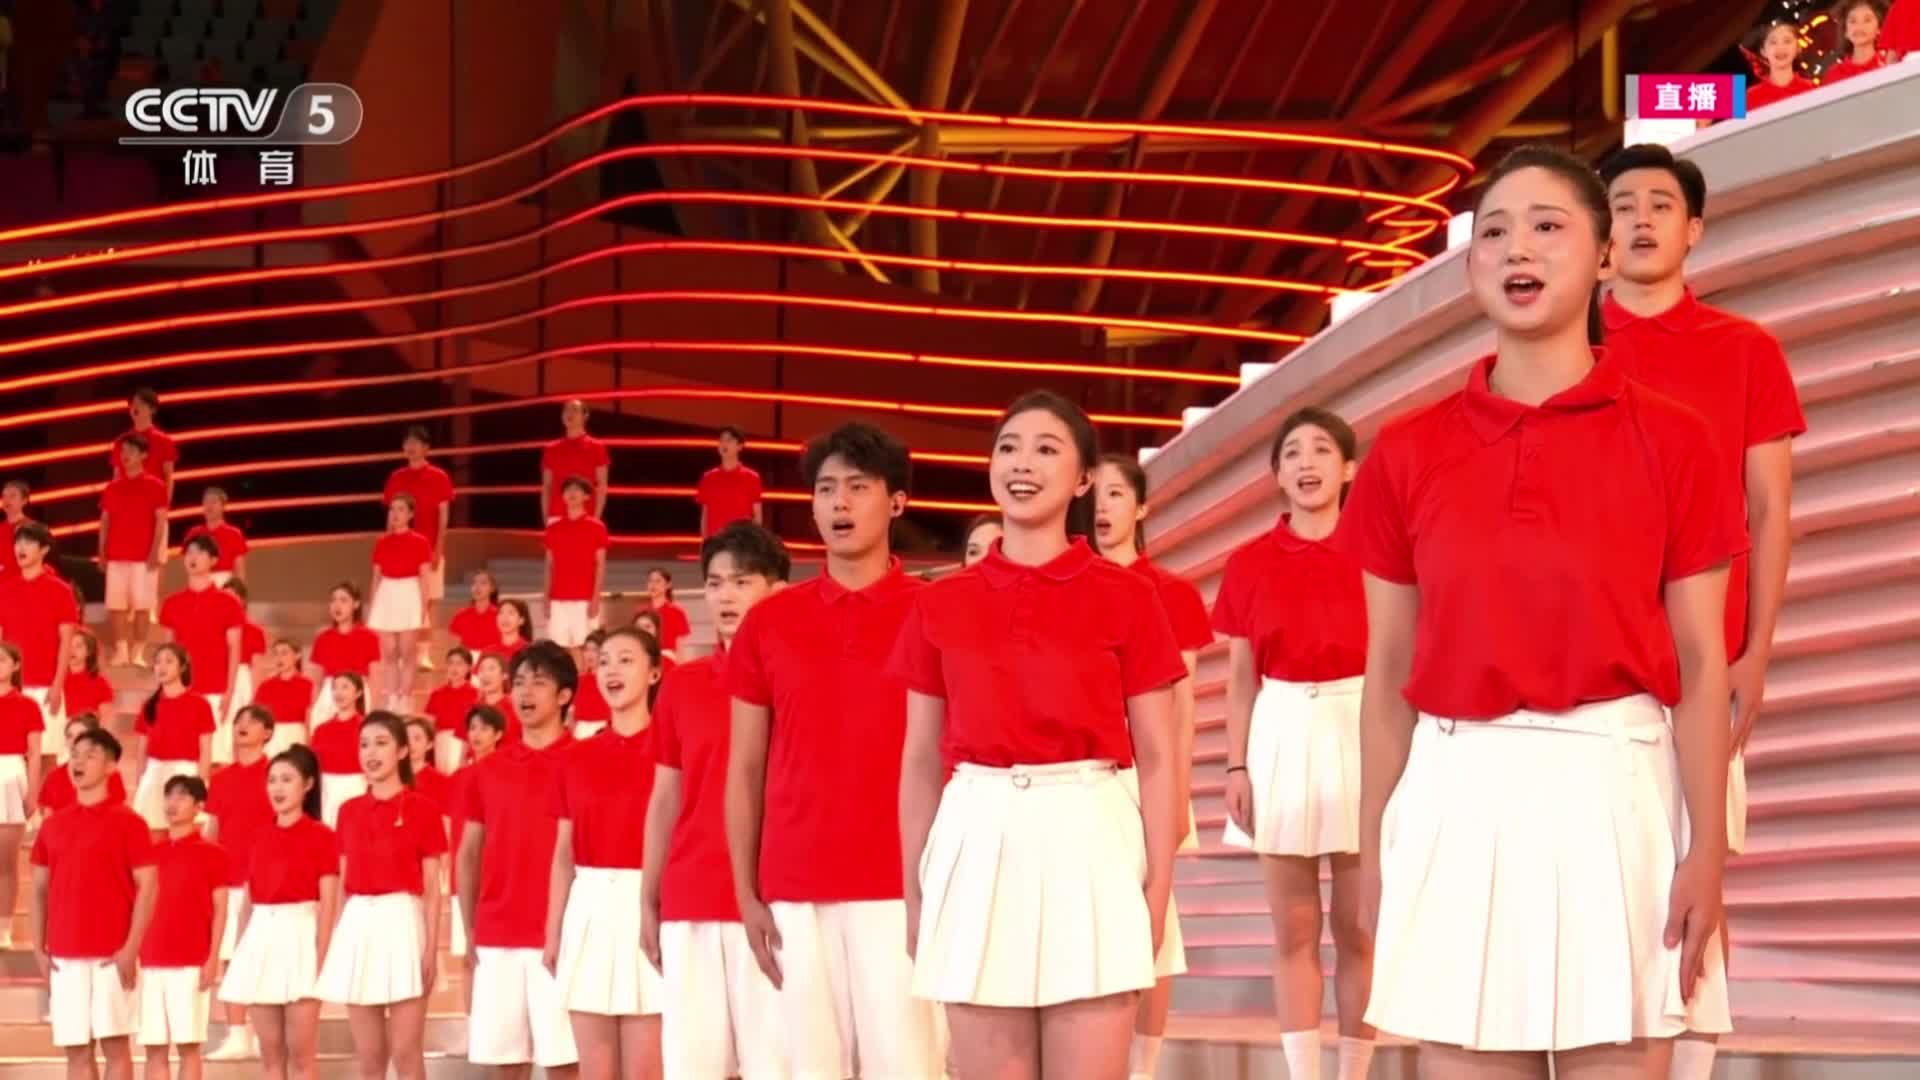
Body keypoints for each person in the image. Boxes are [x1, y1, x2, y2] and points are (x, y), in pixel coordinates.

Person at [1333, 145, 1738, 1077]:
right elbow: (1388, 674)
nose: (1518, 248)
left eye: (1548, 226)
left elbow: (1701, 662)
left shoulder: (1677, 439)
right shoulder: (1405, 453)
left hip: (1619, 797)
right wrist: (1372, 847)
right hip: (1455, 799)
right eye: (1494, 232)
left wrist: (1708, 849)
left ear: (1604, 256)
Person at [891, 391, 1183, 1076]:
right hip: (976, 838)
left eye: (1047, 449)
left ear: (1083, 479)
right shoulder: (940, 602)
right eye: (1009, 447)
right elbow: (919, 761)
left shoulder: (1129, 595)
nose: (1022, 463)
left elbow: (1159, 757)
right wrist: (915, 890)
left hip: (1092, 834)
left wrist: (1158, 892)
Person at [1599, 142, 1807, 1080]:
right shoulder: (1569, 349)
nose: (1640, 219)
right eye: (1622, 204)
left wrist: (1755, 652)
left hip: (1702, 667)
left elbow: (1769, 510)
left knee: (1694, 886)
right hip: (1590, 671)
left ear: (1694, 230)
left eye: (1660, 204)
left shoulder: (1746, 350)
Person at [726, 421, 946, 1079]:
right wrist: (745, 893)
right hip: (793, 891)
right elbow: (745, 767)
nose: (839, 503)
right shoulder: (769, 621)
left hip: (904, 891)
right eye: (825, 490)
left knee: (908, 1068)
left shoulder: (937, 611)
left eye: (857, 486)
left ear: (897, 501)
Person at [1209, 409, 1376, 1080]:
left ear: (1348, 467)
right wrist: (1237, 764)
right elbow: (1241, 677)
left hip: (1361, 724)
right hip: (1280, 730)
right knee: (1295, 929)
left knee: (1359, 927)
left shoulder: (1380, 549)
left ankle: (1353, 1074)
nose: (1307, 463)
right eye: (1293, 454)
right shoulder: (1249, 563)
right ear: (1277, 474)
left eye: (1321, 450)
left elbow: (1401, 656)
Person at [641, 521, 792, 1079]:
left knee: (777, 1065)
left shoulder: (796, 679)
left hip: (776, 902)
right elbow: (665, 797)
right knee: (694, 1066)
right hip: (691, 900)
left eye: (742, 581)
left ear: (777, 590)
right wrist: (649, 895)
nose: (725, 595)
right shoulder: (682, 685)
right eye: (714, 582)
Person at [1090, 453, 1216, 1080]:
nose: (1103, 506)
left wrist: (1178, 793)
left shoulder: (1171, 594)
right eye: (1095, 494)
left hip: (1146, 776)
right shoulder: (1075, 585)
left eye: (1117, 494)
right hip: (1082, 776)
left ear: (1140, 508)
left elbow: (1182, 706)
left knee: (1153, 928)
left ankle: (1143, 1070)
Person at [457, 642, 582, 1077]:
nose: (526, 692)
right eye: (520, 682)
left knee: (565, 1065)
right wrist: (470, 930)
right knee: (506, 1066)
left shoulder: (584, 761)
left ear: (564, 695)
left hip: (564, 937)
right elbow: (468, 856)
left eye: (539, 682)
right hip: (499, 935)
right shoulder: (487, 770)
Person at [545, 627, 664, 1078]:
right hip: (589, 910)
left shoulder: (672, 752)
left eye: (626, 659)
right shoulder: (575, 757)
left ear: (654, 673)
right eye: (605, 660)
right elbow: (563, 854)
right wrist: (554, 931)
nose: (612, 669)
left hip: (652, 906)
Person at [315, 712, 445, 1080]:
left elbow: (433, 888)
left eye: (381, 743)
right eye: (364, 745)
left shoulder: (423, 809)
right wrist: (334, 942)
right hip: (359, 925)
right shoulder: (348, 812)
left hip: (404, 921)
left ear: (402, 751)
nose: (371, 753)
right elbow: (343, 884)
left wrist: (430, 948)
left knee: (406, 1051)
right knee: (370, 1056)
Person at [31, 727, 159, 1080]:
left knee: (115, 1047)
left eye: (91, 755)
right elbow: (38, 889)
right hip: (64, 954)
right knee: (76, 1051)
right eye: (75, 754)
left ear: (111, 766)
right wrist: (38, 947)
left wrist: (131, 948)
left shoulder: (130, 823)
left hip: (111, 954)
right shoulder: (53, 825)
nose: (79, 762)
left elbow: (149, 886)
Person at [219, 745, 340, 1080]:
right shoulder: (259, 836)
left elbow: (329, 904)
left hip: (301, 935)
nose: (277, 788)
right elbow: (248, 903)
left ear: (308, 784)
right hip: (261, 939)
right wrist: (242, 951)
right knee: (271, 1056)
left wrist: (321, 958)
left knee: (302, 1056)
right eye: (272, 780)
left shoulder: (322, 836)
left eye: (287, 779)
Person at [138, 775, 229, 1080]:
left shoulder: (213, 854)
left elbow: (221, 909)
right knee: (154, 1049)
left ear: (199, 806)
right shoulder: (150, 854)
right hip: (150, 960)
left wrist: (212, 958)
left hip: (191, 961)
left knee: (188, 1047)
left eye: (181, 796)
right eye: (169, 796)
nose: (172, 803)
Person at [202, 705, 275, 1062]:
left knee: (265, 957)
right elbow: (213, 828)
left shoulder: (277, 775)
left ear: (268, 732)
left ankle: (265, 1033)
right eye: (238, 722)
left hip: (267, 882)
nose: (242, 727)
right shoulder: (221, 778)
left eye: (251, 722)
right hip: (229, 878)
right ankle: (237, 1033)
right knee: (232, 956)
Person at [158, 536, 245, 766]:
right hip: (181, 692)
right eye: (189, 553)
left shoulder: (228, 603)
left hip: (215, 690)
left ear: (213, 560)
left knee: (216, 758)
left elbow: (235, 649)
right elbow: (167, 652)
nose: (192, 558)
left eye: (199, 553)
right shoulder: (172, 604)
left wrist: (229, 691)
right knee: (181, 758)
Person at [0, 521, 79, 760]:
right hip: (11, 687)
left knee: (46, 755)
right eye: (18, 542)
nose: (20, 548)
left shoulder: (61, 591)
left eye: (28, 542)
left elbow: (66, 642)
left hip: (46, 685)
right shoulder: (5, 590)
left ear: (44, 549)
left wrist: (57, 685)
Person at [384, 426, 456, 667]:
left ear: (426, 448)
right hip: (401, 549)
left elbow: (443, 518)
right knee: (401, 601)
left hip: (428, 549)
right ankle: (403, 652)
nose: (411, 447)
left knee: (428, 602)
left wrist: (438, 548)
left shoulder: (439, 477)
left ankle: (423, 653)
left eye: (416, 443)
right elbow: (390, 516)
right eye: (408, 442)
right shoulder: (396, 477)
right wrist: (388, 546)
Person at [99, 435, 170, 669]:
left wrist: (154, 552)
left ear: (143, 455)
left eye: (131, 451)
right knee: (116, 605)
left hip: (143, 558)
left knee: (142, 606)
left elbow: (160, 522)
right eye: (123, 451)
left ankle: (138, 652)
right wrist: (102, 552)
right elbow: (105, 522)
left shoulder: (155, 486)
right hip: (116, 555)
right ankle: (121, 652)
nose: (125, 455)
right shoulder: (112, 488)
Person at [131, 645, 216, 833]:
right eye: (158, 662)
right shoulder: (149, 705)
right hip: (154, 773)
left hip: (185, 772)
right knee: (152, 831)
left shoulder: (199, 704)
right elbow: (142, 750)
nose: (162, 667)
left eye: (169, 661)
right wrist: (140, 781)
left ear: (182, 667)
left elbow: (206, 749)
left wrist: (201, 783)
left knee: (186, 832)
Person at [447, 704, 507, 963]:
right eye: (472, 728)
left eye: (484, 728)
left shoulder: (505, 775)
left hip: (495, 874)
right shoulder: (459, 777)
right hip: (464, 872)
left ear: (498, 734)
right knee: (469, 956)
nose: (476, 734)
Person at [367, 496, 434, 713]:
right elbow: (376, 577)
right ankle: (392, 695)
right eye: (392, 509)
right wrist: (373, 605)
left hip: (409, 593)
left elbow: (425, 577)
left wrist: (423, 606)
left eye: (401, 509)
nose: (395, 514)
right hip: (387, 592)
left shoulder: (420, 542)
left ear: (411, 514)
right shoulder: (382, 542)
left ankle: (405, 696)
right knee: (389, 652)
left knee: (407, 651)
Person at [0, 642, 45, 950]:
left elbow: (36, 753)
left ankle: (4, 927)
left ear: (15, 665)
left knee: (6, 861)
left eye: (2, 660)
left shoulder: (27, 705)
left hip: (11, 774)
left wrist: (33, 794)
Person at [545, 478, 610, 652]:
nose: (571, 493)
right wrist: (546, 598)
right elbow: (549, 566)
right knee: (558, 649)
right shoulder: (553, 528)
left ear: (586, 496)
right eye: (568, 490)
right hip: (558, 599)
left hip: (584, 598)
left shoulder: (597, 527)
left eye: (576, 490)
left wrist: (595, 598)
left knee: (586, 649)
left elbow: (600, 565)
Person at [305, 583, 379, 729]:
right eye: (333, 600)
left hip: (358, 693)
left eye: (343, 600)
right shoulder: (323, 638)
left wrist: (374, 708)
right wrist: (312, 707)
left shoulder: (369, 637)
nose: (337, 605)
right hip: (329, 694)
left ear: (356, 604)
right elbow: (316, 681)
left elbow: (376, 677)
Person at [34, 714, 129, 823]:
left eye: (80, 736)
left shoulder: (109, 775)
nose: (74, 741)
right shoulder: (54, 777)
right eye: (69, 736)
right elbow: (48, 820)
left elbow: (118, 815)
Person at [310, 673, 369, 829]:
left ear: (358, 692)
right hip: (325, 790)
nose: (339, 692)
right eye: (335, 688)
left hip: (356, 787)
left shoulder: (366, 728)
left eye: (345, 687)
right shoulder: (321, 730)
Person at [541, 399, 609, 522]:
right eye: (566, 410)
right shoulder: (551, 448)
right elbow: (547, 487)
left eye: (575, 410)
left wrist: (596, 518)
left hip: (586, 515)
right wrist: (546, 518)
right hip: (556, 516)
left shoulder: (597, 447)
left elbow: (602, 486)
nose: (569, 413)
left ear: (585, 416)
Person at [697, 426, 764, 538]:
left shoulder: (752, 477)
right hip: (716, 541)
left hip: (741, 542)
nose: (724, 444)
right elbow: (705, 515)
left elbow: (757, 516)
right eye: (721, 440)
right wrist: (705, 542)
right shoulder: (708, 477)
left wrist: (754, 542)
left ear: (740, 446)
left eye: (729, 440)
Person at [113, 388, 179, 501]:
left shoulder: (164, 441)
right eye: (132, 404)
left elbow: (168, 477)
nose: (135, 407)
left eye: (140, 404)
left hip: (153, 502)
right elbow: (117, 477)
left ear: (152, 409)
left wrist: (165, 504)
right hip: (127, 502)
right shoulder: (121, 441)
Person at [252, 641, 314, 757]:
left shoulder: (308, 685)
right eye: (276, 653)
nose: (279, 658)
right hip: (271, 738)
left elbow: (310, 720)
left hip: (296, 736)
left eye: (284, 653)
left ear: (297, 655)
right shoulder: (266, 686)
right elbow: (257, 717)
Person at [222, 580, 267, 738]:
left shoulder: (254, 631)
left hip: (241, 679)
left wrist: (256, 697)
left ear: (243, 601)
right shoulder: (216, 628)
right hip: (219, 676)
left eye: (232, 598)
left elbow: (257, 667)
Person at [426, 647, 480, 773]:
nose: (454, 668)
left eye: (459, 663)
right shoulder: (437, 694)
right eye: (451, 663)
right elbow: (429, 725)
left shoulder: (476, 695)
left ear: (469, 668)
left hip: (466, 744)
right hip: (441, 743)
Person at [181, 488, 248, 587]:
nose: (209, 506)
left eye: (213, 502)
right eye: (206, 502)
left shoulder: (234, 534)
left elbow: (239, 569)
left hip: (225, 582)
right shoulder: (193, 533)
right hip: (199, 581)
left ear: (223, 506)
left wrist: (239, 591)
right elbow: (188, 563)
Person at [1746, 21, 1814, 110]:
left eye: (1787, 41)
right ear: (1763, 51)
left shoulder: (1810, 89)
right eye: (1773, 42)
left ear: (1798, 48)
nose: (1780, 48)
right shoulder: (1750, 96)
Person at [1825, 0, 1896, 80]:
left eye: (1867, 20)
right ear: (1845, 31)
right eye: (1853, 21)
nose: (1859, 27)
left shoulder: (1888, 65)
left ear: (1878, 28)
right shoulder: (1834, 74)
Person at [569, 631, 612, 740]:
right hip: (581, 732)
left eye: (595, 650)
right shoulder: (579, 681)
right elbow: (572, 715)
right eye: (586, 649)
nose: (589, 654)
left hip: (606, 731)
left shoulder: (612, 680)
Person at [450, 570, 504, 654]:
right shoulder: (461, 615)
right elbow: (455, 648)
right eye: (474, 583)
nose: (477, 587)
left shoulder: (500, 615)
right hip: (468, 659)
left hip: (493, 658)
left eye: (483, 583)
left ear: (492, 588)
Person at [638, 571, 689, 659]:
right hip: (646, 658)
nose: (653, 585)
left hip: (668, 660)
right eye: (650, 581)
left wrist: (680, 664)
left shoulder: (677, 612)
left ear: (668, 585)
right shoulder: (641, 611)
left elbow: (680, 645)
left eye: (658, 581)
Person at [629, 612, 676, 679]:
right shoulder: (627, 656)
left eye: (647, 626)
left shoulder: (666, 658)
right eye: (638, 627)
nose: (643, 630)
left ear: (656, 630)